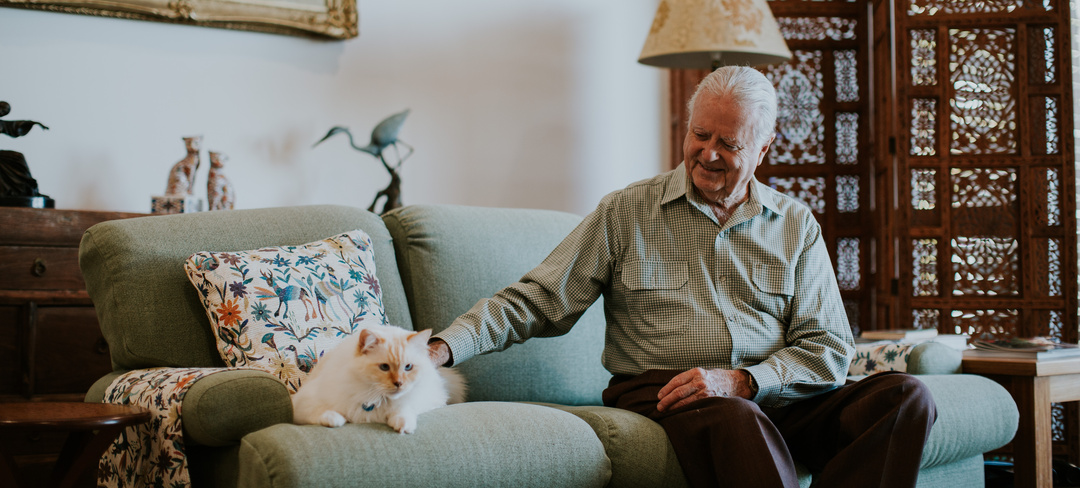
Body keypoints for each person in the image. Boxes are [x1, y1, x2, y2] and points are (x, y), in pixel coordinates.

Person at [428, 66, 936, 488]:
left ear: (763, 150)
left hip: (769, 393)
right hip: (667, 391)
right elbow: (537, 300)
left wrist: (747, 381)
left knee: (904, 397)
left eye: (729, 143)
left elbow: (827, 346)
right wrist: (444, 346)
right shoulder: (627, 211)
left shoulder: (795, 224)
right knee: (736, 416)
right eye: (700, 134)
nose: (708, 153)